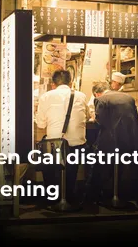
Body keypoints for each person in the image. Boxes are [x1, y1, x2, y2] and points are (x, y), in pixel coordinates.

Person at [36, 70, 89, 204]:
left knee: (49, 167)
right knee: (71, 171)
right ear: (70, 83)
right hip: (77, 143)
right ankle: (68, 197)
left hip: (55, 144)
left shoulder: (46, 97)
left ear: (53, 84)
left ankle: (53, 198)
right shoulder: (81, 96)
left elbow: (41, 124)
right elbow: (87, 117)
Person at [90, 81, 138, 201]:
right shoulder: (129, 98)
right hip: (130, 141)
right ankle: (119, 194)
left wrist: (93, 117)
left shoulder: (101, 100)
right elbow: (136, 117)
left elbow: (99, 123)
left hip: (110, 143)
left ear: (97, 94)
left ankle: (102, 195)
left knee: (94, 157)